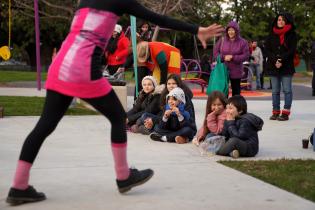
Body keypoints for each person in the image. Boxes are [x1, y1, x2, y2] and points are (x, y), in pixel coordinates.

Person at [6, 0, 224, 205]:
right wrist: (197, 30)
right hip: (83, 72)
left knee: (44, 125)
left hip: (60, 68)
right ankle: (123, 176)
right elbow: (159, 19)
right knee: (119, 118)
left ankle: (18, 186)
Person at [264, 13, 297, 121]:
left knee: (287, 90)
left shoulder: (292, 34)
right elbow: (267, 49)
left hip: (286, 66)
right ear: (276, 21)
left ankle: (286, 112)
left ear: (286, 21)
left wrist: (281, 59)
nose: (280, 21)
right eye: (279, 20)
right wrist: (275, 60)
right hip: (273, 66)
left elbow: (292, 50)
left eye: (283, 20)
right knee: (275, 91)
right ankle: (275, 112)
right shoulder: (271, 34)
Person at [213, 21, 249, 96]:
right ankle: (223, 106)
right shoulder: (222, 40)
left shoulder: (243, 42)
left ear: (236, 31)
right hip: (223, 70)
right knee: (223, 91)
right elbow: (215, 53)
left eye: (233, 30)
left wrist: (233, 57)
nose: (230, 32)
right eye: (229, 30)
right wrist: (223, 57)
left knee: (236, 92)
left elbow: (246, 55)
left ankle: (235, 107)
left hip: (236, 71)